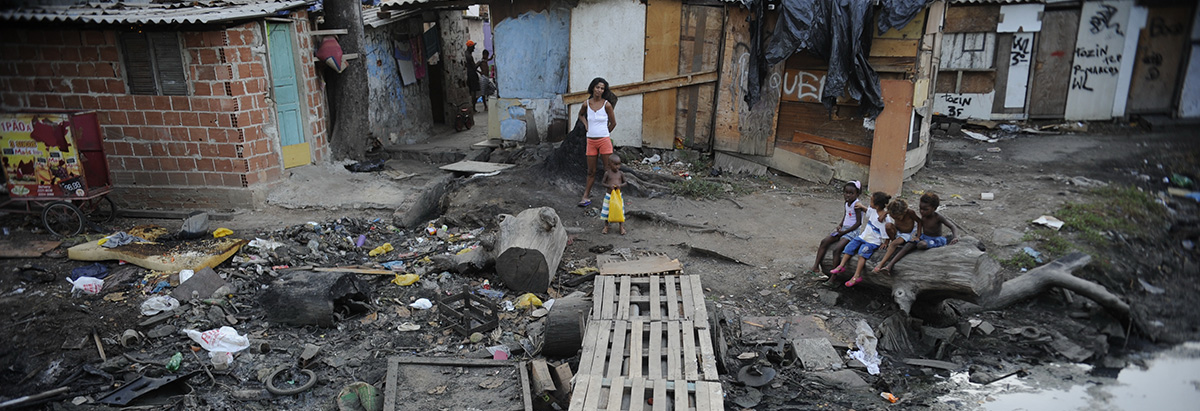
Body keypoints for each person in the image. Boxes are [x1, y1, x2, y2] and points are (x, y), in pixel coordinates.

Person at [877, 193, 961, 271]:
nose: (922, 211)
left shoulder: (937, 217)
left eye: (925, 209)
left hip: (934, 239)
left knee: (921, 245)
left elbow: (952, 226)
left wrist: (955, 236)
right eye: (920, 209)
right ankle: (889, 266)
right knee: (908, 245)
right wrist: (918, 236)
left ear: (934, 208)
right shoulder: (924, 216)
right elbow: (895, 210)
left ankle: (944, 240)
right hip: (923, 237)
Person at [828, 191, 893, 287]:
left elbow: (886, 232)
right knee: (849, 248)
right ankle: (841, 266)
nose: (869, 202)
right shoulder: (873, 211)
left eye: (871, 201)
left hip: (872, 242)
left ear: (877, 205)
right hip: (863, 237)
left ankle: (856, 276)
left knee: (862, 255)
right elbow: (868, 211)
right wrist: (862, 207)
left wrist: (886, 242)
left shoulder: (885, 219)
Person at [807, 181, 863, 277]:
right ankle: (815, 267)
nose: (847, 195)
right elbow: (846, 216)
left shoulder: (857, 205)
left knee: (837, 250)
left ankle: (834, 277)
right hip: (844, 229)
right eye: (846, 192)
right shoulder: (846, 203)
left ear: (857, 194)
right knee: (824, 242)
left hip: (852, 231)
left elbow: (858, 223)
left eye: (851, 193)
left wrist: (844, 232)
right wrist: (840, 225)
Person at [578, 77, 617, 207]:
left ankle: (610, 197)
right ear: (593, 88)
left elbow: (613, 123)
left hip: (604, 141)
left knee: (608, 169)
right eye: (597, 87)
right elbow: (581, 115)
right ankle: (585, 196)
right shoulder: (586, 104)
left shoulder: (607, 105)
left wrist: (604, 133)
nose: (599, 90)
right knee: (591, 171)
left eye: (602, 88)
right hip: (591, 141)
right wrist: (586, 125)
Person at [873, 199, 922, 274]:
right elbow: (886, 212)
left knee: (893, 245)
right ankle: (894, 243)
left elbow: (919, 221)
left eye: (898, 218)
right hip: (897, 231)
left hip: (907, 234)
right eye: (894, 218)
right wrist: (884, 215)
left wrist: (918, 236)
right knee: (888, 226)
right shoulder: (892, 211)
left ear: (904, 212)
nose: (896, 219)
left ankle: (880, 265)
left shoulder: (910, 212)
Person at [600, 154, 627, 235]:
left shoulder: (621, 173)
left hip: (618, 196)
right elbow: (602, 183)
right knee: (607, 211)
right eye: (615, 164)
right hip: (609, 195)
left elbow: (625, 183)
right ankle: (606, 226)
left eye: (619, 164)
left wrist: (620, 185)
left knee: (620, 211)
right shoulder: (607, 173)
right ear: (609, 164)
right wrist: (609, 186)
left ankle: (621, 227)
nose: (617, 166)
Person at [465, 40, 480, 112]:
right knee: (473, 92)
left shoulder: (466, 54)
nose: (474, 48)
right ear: (470, 47)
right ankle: (473, 108)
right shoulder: (469, 56)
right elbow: (474, 67)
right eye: (473, 47)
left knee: (471, 91)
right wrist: (479, 63)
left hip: (469, 74)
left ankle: (472, 108)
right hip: (472, 75)